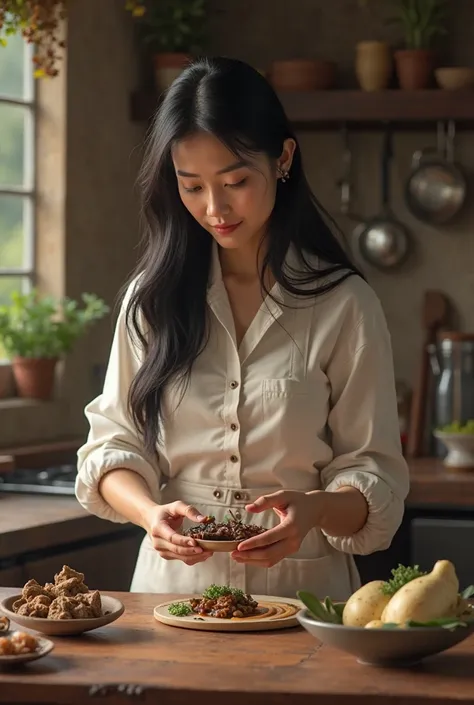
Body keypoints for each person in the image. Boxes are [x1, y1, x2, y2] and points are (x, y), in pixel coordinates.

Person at [75, 56, 409, 600]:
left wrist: (316, 509)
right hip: (173, 598)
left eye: (235, 181)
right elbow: (113, 443)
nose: (214, 208)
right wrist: (149, 513)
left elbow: (375, 474)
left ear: (282, 159)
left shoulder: (344, 304)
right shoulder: (151, 300)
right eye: (192, 186)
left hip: (304, 599)